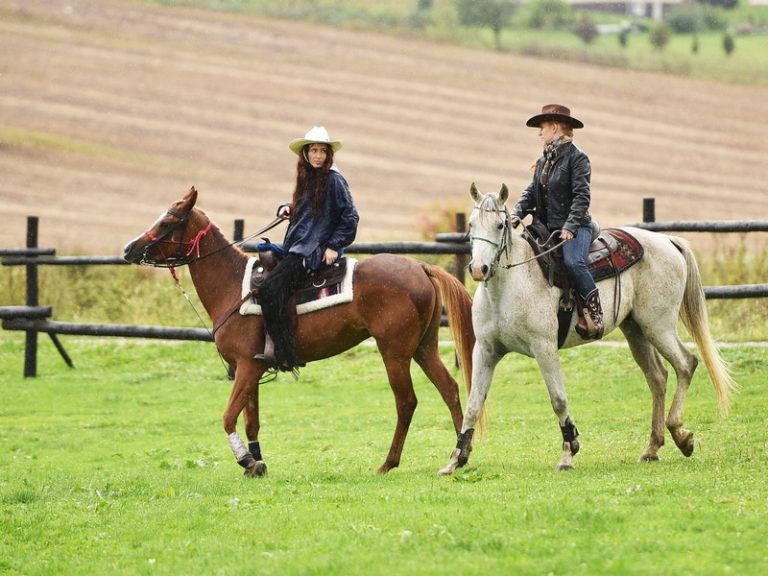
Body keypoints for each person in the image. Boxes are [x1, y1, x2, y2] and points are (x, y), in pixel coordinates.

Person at [255, 126, 360, 370]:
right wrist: (288, 208)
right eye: (313, 150)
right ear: (305, 153)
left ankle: (284, 352)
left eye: (322, 151)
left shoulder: (334, 179)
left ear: (328, 155)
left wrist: (334, 245)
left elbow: (350, 216)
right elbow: (309, 211)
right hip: (298, 246)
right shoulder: (308, 177)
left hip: (312, 250)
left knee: (270, 289)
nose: (318, 156)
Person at [511, 104, 604, 339]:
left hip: (577, 226)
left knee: (574, 262)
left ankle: (595, 313)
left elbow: (582, 197)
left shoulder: (578, 159)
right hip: (546, 227)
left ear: (554, 127)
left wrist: (570, 227)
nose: (539, 133)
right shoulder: (544, 160)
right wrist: (517, 213)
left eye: (542, 128)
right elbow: (531, 191)